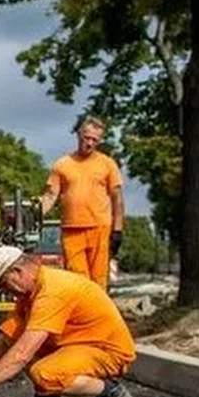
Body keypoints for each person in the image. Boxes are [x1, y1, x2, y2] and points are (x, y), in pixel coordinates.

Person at [0, 245, 136, 397]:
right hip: (77, 344)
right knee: (16, 337)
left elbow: (22, 353)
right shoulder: (29, 293)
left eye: (5, 284)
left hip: (105, 350)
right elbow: (8, 337)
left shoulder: (52, 292)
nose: (6, 292)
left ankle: (112, 392)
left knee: (45, 374)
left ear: (17, 271)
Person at [38, 116, 124, 289]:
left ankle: (99, 315)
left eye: (95, 140)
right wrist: (33, 214)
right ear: (79, 134)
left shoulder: (107, 164)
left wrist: (117, 230)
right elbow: (50, 196)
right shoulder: (62, 165)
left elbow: (117, 198)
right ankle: (81, 315)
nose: (90, 143)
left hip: (99, 228)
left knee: (98, 282)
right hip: (71, 230)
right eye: (87, 138)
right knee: (78, 283)